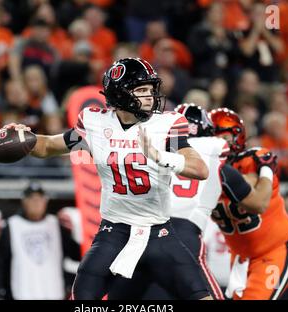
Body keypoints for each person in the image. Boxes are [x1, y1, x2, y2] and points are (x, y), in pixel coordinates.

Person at [3, 57, 212, 300]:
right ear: (121, 93)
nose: (150, 97)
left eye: (150, 90)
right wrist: (22, 137)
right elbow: (48, 146)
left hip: (159, 233)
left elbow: (199, 169)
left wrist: (160, 156)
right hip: (114, 232)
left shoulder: (166, 124)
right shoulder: (95, 123)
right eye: (142, 90)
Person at [109, 104, 276, 300]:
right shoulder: (216, 161)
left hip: (135, 236)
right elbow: (259, 203)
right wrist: (266, 169)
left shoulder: (149, 152)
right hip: (181, 236)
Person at [209, 108, 288, 300]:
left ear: (238, 137)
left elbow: (261, 202)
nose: (218, 144)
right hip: (240, 257)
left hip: (273, 250)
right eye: (212, 138)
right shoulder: (200, 170)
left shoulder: (252, 160)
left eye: (223, 137)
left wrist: (265, 171)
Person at [0, 182, 73, 300]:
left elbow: (75, 253)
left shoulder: (57, 225)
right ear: (24, 202)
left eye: (40, 198)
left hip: (54, 292)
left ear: (45, 201)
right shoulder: (11, 225)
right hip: (20, 293)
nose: (36, 202)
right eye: (32, 198)